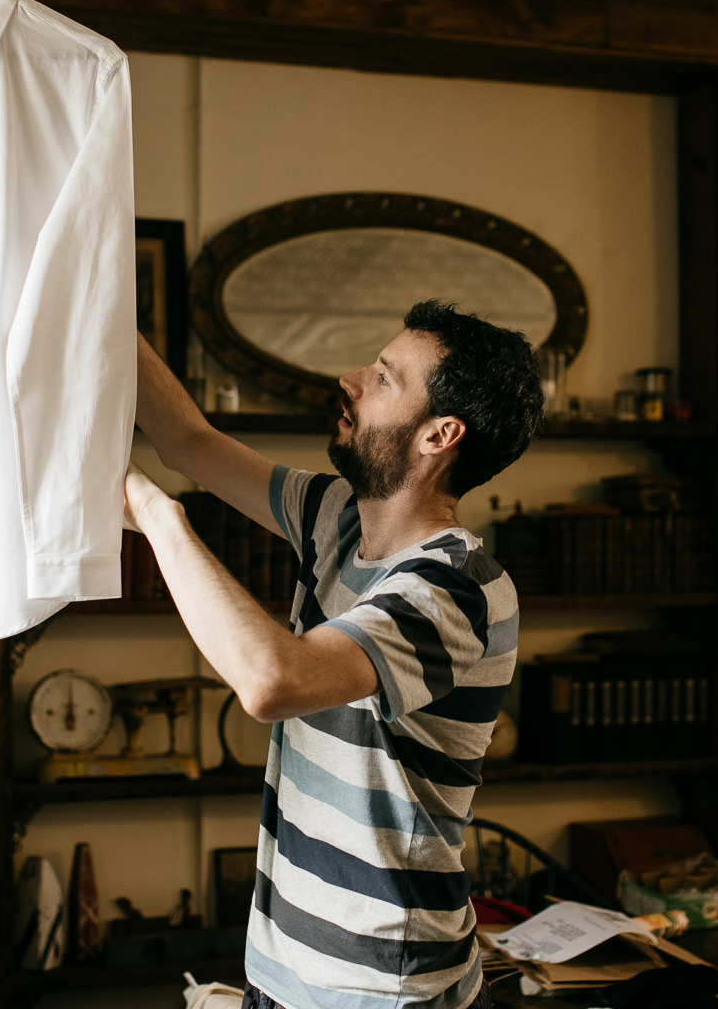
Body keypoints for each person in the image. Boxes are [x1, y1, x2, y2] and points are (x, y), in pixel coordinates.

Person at [123, 299, 546, 1009]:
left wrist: (158, 517)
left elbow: (271, 680)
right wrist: (98, 296)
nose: (350, 380)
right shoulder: (334, 517)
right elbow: (187, 442)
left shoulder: (457, 589)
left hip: (383, 991)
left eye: (383, 378)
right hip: (282, 972)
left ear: (439, 434)